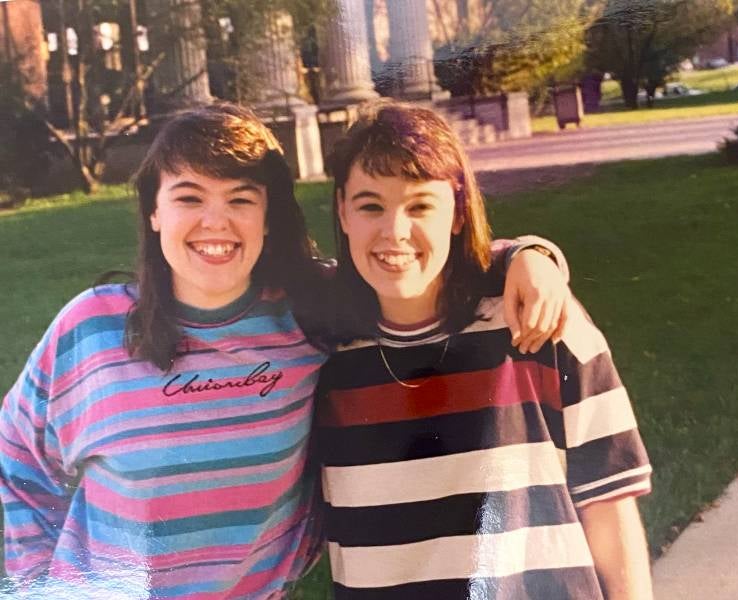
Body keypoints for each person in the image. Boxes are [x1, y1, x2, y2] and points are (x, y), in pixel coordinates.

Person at [0, 102, 568, 598]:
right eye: (189, 197)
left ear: (269, 217)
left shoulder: (307, 312)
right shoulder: (92, 329)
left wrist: (526, 256)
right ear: (154, 211)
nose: (215, 222)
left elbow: (413, 266)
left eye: (240, 199)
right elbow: (14, 462)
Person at [316, 102, 655, 600]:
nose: (395, 231)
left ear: (457, 212)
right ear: (343, 210)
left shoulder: (538, 322)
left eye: (420, 206)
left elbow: (609, 500)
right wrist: (528, 253)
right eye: (371, 206)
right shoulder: (318, 349)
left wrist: (529, 257)